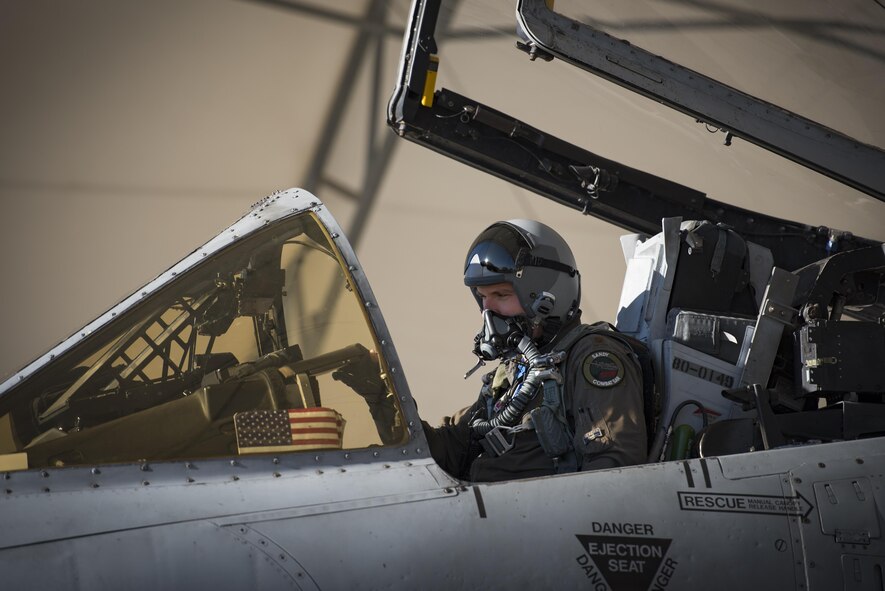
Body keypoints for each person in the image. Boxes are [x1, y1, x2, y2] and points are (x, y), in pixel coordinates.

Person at [422, 219, 648, 482]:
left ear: (548, 297)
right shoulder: (514, 371)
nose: (488, 310)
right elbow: (453, 451)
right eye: (482, 296)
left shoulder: (592, 357)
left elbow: (614, 470)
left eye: (501, 295)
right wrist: (384, 397)